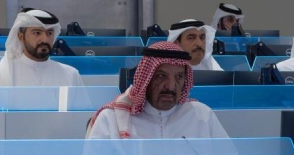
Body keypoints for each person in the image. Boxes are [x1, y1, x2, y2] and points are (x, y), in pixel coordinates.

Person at [86, 43, 230, 139]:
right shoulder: (110, 120)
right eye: (161, 76)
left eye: (179, 77)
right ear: (146, 78)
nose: (171, 86)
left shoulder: (202, 116)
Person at [0, 8, 83, 87]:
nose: (44, 39)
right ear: (21, 37)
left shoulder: (71, 75)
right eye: (37, 33)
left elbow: (83, 108)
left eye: (49, 33)